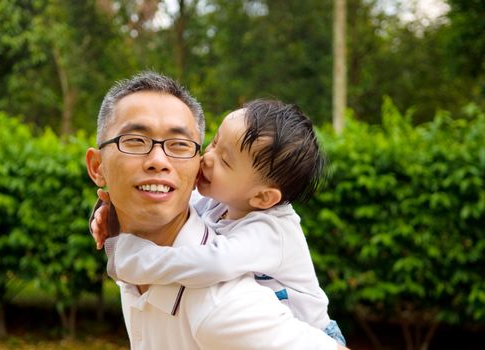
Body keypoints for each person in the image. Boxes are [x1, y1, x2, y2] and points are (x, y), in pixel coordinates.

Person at [86, 70, 348, 349]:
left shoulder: (226, 302)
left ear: (262, 197)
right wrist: (108, 210)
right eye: (136, 141)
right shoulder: (223, 201)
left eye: (179, 145)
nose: (207, 159)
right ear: (97, 167)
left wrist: (136, 260)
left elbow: (216, 262)